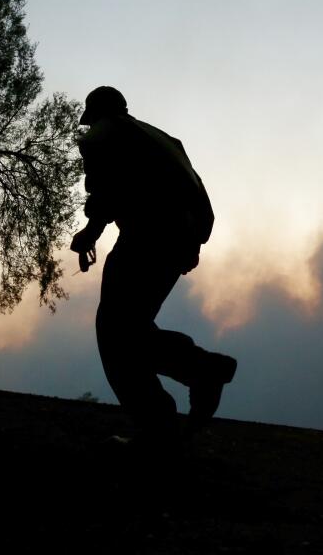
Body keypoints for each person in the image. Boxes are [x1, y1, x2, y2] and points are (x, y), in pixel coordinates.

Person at [70, 86, 237, 450]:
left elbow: (106, 193)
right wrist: (190, 244)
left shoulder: (102, 136)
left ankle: (167, 416)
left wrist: (90, 232)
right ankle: (196, 378)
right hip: (176, 243)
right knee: (129, 328)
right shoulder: (163, 139)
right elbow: (193, 189)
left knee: (115, 332)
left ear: (95, 115)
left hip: (144, 239)